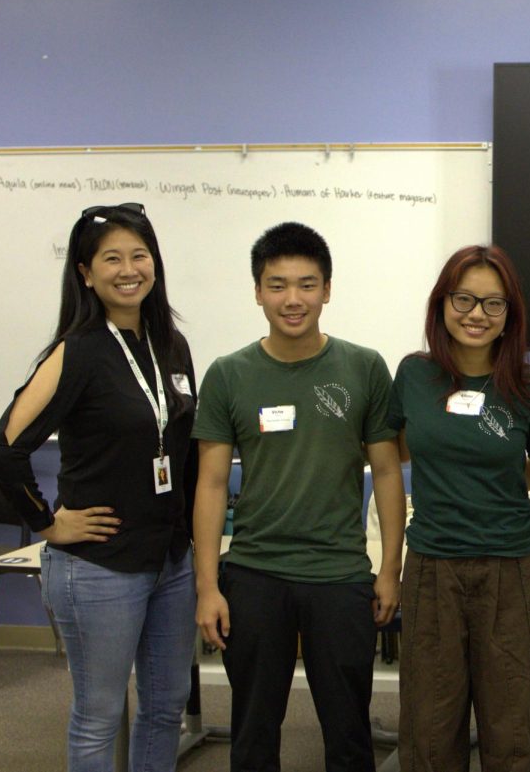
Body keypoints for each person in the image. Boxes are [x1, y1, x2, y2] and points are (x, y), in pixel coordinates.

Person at [0, 202, 198, 772]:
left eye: (140, 255)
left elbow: (179, 445)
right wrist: (49, 524)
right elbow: (5, 450)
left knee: (165, 706)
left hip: (170, 561)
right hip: (98, 567)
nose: (129, 269)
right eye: (112, 259)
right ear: (85, 272)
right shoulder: (77, 350)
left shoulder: (171, 345)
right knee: (100, 714)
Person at [191, 222, 405, 772]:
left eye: (307, 284)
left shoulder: (364, 367)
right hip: (256, 573)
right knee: (254, 733)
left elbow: (385, 472)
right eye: (277, 284)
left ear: (327, 290)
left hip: (340, 574)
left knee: (349, 734)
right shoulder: (228, 375)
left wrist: (388, 570)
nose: (293, 299)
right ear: (258, 291)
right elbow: (212, 484)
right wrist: (208, 586)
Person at [389, 244, 530, 771]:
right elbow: (390, 453)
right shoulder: (414, 376)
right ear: (442, 303)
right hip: (431, 568)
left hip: (508, 570)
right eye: (464, 299)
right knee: (428, 725)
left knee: (512, 725)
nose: (476, 315)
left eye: (494, 304)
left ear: (510, 314)